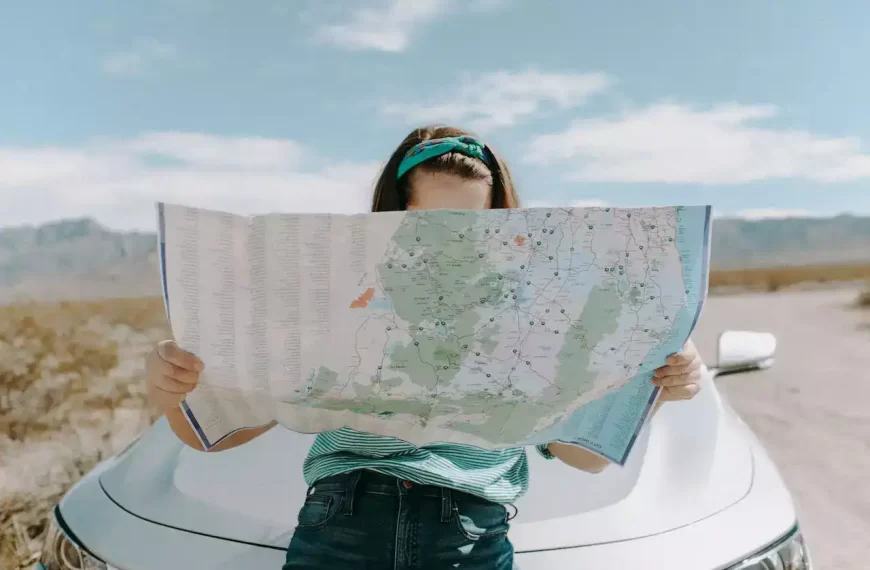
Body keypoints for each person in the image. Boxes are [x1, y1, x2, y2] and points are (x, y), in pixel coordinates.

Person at [144, 125, 705, 570]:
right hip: (340, 521)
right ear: (392, 217)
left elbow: (583, 457)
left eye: (469, 224)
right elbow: (217, 436)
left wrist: (654, 390)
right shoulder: (337, 295)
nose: (447, 240)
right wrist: (174, 390)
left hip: (469, 536)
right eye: (426, 222)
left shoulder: (540, 306)